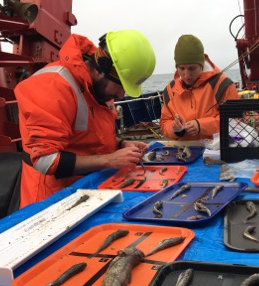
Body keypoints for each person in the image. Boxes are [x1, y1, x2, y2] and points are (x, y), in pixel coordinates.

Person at [14, 31, 156, 207]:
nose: (121, 95)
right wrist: (109, 160)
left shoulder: (99, 89)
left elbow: (91, 135)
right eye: (120, 85)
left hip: (89, 190)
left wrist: (120, 144)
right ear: (100, 69)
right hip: (51, 201)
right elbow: (45, 160)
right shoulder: (52, 87)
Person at [159, 34, 239, 140]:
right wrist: (175, 129)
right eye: (181, 68)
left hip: (217, 152)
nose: (186, 75)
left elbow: (235, 120)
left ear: (201, 65)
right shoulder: (169, 91)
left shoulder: (223, 85)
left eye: (192, 68)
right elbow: (165, 123)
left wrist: (202, 126)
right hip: (185, 152)